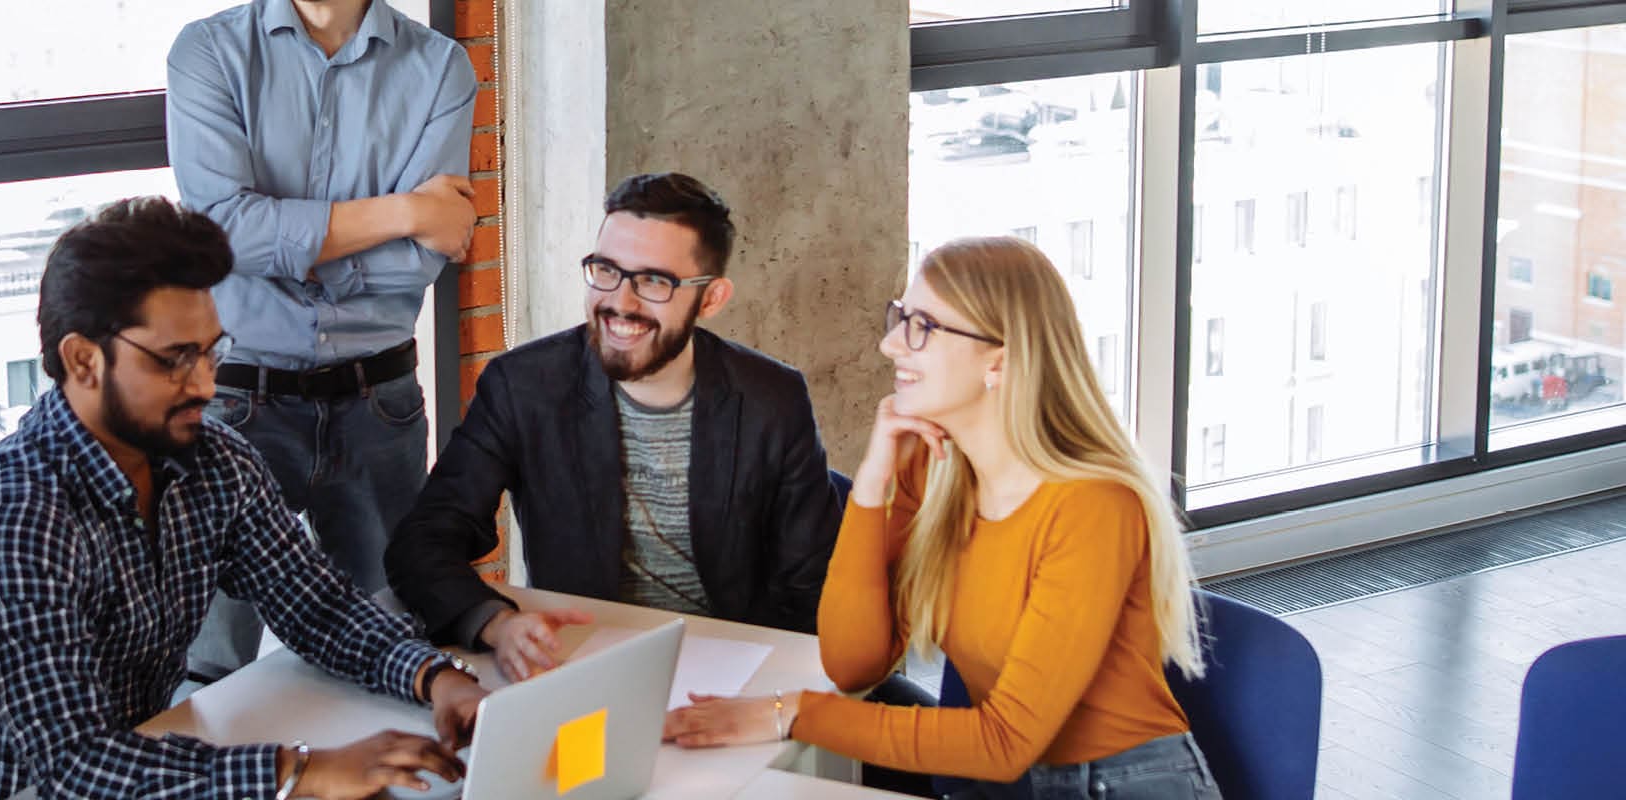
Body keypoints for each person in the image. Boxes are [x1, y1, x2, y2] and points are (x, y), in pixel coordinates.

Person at [0, 197, 488, 800]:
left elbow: (315, 606)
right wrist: (301, 772)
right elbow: (74, 768)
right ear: (83, 360)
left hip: (137, 765)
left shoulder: (212, 460)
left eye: (211, 351)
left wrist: (434, 676)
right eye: (175, 360)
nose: (205, 383)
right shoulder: (15, 529)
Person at [665, 237, 1220, 800]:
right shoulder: (935, 473)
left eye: (922, 327)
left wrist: (791, 713)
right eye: (900, 318)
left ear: (998, 361)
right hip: (999, 779)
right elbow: (853, 664)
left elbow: (1003, 742)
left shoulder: (1092, 506)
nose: (889, 344)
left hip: (1123, 785)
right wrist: (873, 488)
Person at [383, 173, 845, 681]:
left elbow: (812, 590)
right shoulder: (525, 386)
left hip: (736, 666)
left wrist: (763, 693)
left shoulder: (772, 398)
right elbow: (422, 542)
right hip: (587, 663)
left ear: (711, 298)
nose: (620, 302)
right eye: (606, 270)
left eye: (653, 281)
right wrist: (495, 623)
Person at [166, 0, 479, 683]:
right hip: (235, 403)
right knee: (207, 664)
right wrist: (404, 212)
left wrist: (286, 246)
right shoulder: (209, 52)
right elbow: (221, 231)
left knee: (393, 641)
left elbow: (430, 253)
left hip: (380, 404)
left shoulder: (440, 68)